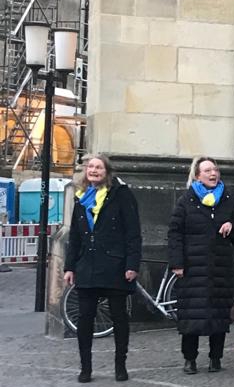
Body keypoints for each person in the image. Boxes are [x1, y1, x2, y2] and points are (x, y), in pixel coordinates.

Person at [64, 154, 141, 383]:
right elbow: (75, 237)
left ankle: (120, 364)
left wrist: (132, 265)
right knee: (85, 319)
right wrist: (70, 267)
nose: (94, 170)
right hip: (87, 266)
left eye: (99, 167)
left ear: (107, 172)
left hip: (115, 266)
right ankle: (85, 368)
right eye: (91, 167)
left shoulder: (122, 195)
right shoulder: (81, 198)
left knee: (119, 318)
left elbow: (133, 233)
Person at [168, 157, 234, 375]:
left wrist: (232, 224)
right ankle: (190, 359)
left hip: (220, 266)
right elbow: (175, 233)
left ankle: (215, 358)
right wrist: (177, 263)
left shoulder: (228, 199)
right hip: (193, 267)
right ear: (197, 175)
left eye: (215, 169)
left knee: (219, 315)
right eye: (208, 170)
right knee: (191, 316)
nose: (213, 173)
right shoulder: (186, 200)